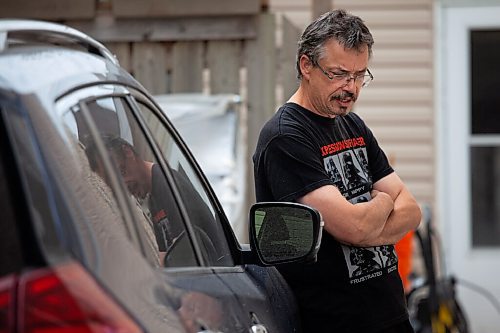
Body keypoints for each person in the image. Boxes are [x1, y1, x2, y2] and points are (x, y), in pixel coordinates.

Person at [253, 9, 422, 333]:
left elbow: (412, 212)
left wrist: (368, 223)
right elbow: (353, 228)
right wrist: (384, 201)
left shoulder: (352, 125)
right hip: (334, 322)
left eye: (360, 75)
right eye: (339, 73)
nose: (352, 87)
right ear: (306, 66)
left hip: (390, 314)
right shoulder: (286, 136)